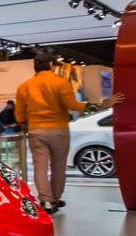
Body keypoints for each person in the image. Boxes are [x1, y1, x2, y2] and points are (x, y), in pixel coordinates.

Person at [15, 55, 124, 211]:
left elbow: (19, 115)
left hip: (36, 131)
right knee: (58, 167)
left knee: (40, 168)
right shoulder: (60, 82)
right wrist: (102, 104)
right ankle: (56, 199)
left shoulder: (24, 86)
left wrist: (27, 125)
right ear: (51, 65)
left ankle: (45, 200)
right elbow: (73, 105)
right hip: (59, 130)